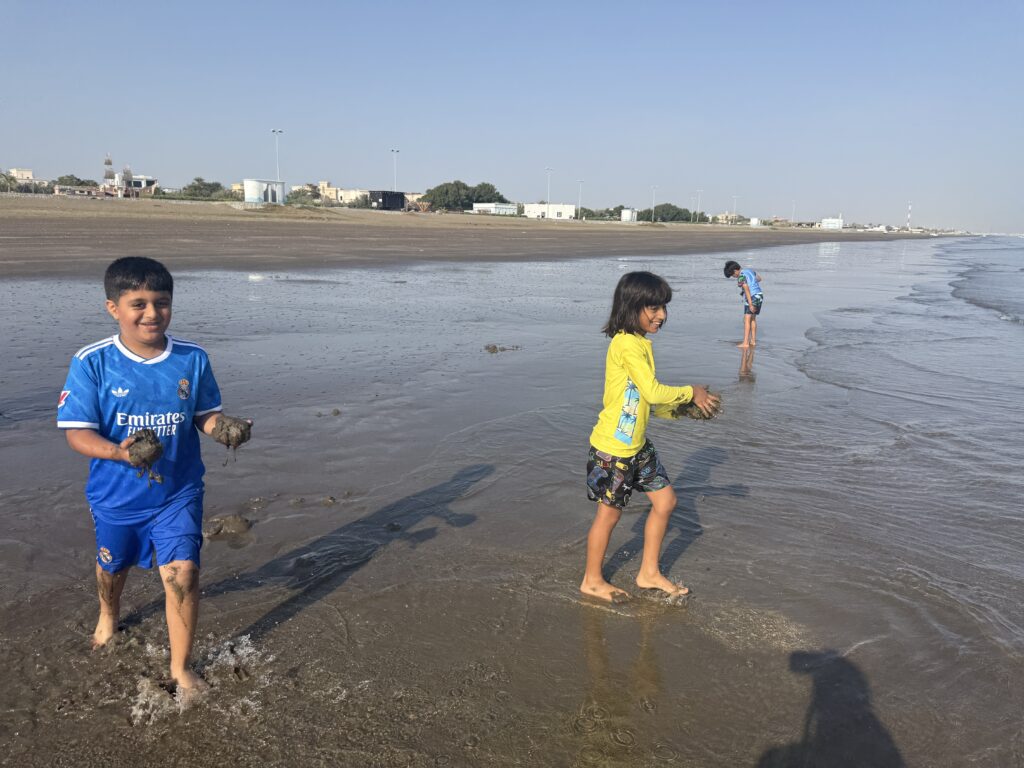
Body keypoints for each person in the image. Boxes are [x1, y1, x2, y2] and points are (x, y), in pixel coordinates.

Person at [57, 256, 250, 698]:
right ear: (113, 308)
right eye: (138, 304)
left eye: (161, 303)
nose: (151, 313)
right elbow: (77, 433)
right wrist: (118, 452)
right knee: (113, 566)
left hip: (178, 491)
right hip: (116, 495)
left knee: (183, 574)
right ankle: (109, 614)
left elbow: (203, 415)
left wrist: (223, 429)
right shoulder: (92, 362)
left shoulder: (192, 358)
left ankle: (180, 668)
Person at [581, 271, 719, 603]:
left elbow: (644, 401)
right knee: (609, 515)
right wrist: (691, 392)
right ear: (632, 306)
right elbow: (653, 391)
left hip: (638, 447)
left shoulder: (640, 343)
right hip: (613, 450)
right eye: (654, 308)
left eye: (663, 308)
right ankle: (592, 580)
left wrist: (682, 410)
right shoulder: (626, 344)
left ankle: (649, 573)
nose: (662, 315)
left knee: (666, 502)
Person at [724, 259, 764, 348]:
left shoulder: (740, 277)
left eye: (732, 275)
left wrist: (750, 303)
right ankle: (753, 341)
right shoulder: (749, 270)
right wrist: (752, 283)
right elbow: (759, 279)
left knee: (746, 319)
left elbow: (746, 288)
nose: (733, 277)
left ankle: (745, 343)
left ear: (735, 271)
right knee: (753, 319)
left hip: (752, 297)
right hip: (759, 295)